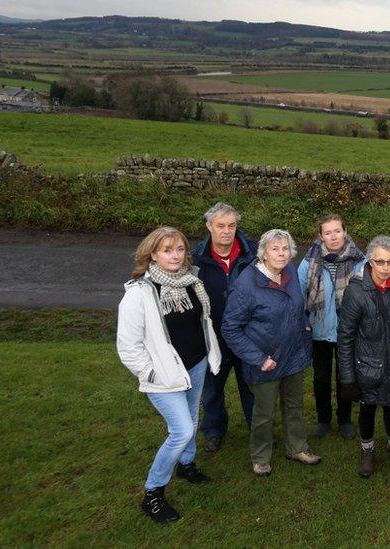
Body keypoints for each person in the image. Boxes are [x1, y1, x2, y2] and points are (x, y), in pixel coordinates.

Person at [117, 226, 221, 524]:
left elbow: (202, 321)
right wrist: (151, 373)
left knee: (192, 417)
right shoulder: (140, 293)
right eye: (167, 250)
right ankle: (153, 493)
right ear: (152, 254)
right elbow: (128, 346)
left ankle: (187, 465)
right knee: (182, 431)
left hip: (196, 365)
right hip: (164, 376)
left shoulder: (191, 282)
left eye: (179, 249)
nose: (175, 256)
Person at [223, 229, 320, 477]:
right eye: (275, 249)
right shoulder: (246, 284)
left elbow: (295, 305)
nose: (281, 253)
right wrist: (258, 358)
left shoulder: (289, 271)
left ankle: (296, 447)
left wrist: (303, 322)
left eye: (285, 248)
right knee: (264, 413)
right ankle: (261, 456)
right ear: (263, 253)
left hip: (294, 356)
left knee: (295, 406)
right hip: (266, 361)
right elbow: (230, 329)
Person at [337, 235, 390, 478]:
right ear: (370, 261)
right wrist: (348, 379)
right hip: (367, 367)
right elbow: (345, 338)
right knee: (368, 409)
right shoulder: (356, 292)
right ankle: (367, 450)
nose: (386, 268)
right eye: (380, 262)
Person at [192, 202, 257, 454]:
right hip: (213, 337)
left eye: (231, 225)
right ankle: (213, 430)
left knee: (251, 387)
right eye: (220, 226)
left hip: (248, 336)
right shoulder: (197, 259)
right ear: (209, 226)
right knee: (212, 389)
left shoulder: (253, 254)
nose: (226, 231)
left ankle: (258, 430)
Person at [298, 213, 366, 440]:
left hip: (349, 331)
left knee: (345, 376)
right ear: (321, 236)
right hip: (319, 330)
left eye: (337, 231)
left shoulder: (360, 261)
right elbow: (299, 295)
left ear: (345, 232)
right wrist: (303, 322)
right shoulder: (309, 261)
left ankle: (345, 419)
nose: (333, 236)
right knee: (321, 378)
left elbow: (366, 296)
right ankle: (323, 419)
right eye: (328, 232)